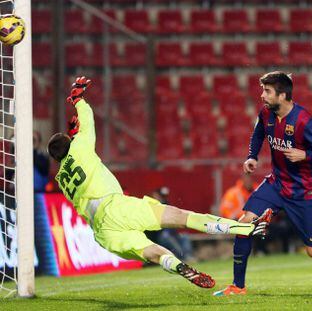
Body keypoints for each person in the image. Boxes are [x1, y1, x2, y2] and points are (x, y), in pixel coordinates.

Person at [47, 77, 273, 289]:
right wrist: (78, 99)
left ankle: (178, 266)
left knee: (152, 253)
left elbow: (70, 155)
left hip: (103, 231)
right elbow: (87, 119)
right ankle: (248, 228)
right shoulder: (80, 147)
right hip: (118, 208)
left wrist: (72, 137)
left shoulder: (61, 179)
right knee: (181, 217)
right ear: (71, 142)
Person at [214, 71, 312, 296]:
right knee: (244, 224)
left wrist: (304, 155)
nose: (262, 95)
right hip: (276, 185)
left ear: (283, 95)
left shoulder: (305, 121)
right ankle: (238, 286)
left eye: (267, 91)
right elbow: (258, 134)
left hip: (303, 193)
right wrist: (252, 156)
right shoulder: (266, 113)